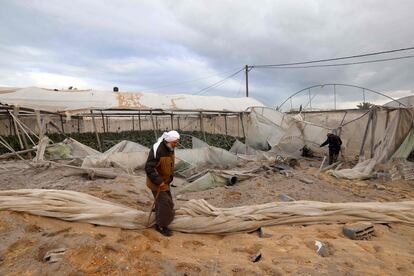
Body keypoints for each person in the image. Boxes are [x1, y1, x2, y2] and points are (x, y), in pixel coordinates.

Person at [145, 130, 180, 237]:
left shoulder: (170, 148)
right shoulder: (158, 151)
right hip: (157, 182)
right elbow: (149, 168)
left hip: (165, 182)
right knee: (165, 204)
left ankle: (159, 210)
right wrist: (159, 181)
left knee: (168, 202)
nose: (176, 144)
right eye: (175, 142)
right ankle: (161, 226)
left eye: (177, 142)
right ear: (169, 141)